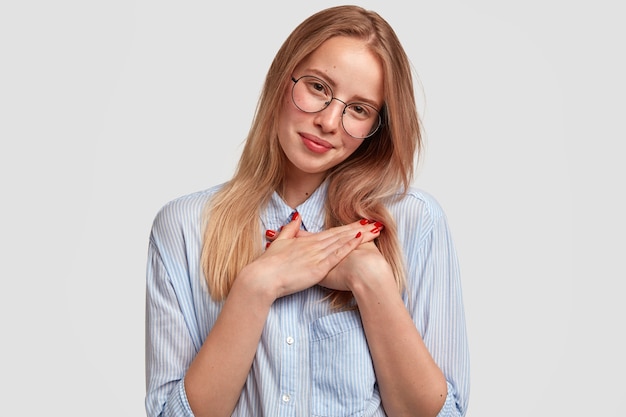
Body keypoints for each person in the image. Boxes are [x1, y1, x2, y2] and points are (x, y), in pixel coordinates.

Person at [145, 5, 470, 417]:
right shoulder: (184, 227)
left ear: (376, 128)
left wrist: (370, 279)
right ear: (283, 78)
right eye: (318, 87)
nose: (330, 122)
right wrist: (256, 286)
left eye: (359, 109)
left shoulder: (414, 222)